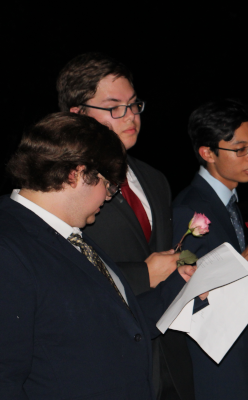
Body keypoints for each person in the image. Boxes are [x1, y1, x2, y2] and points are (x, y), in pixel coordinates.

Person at [0, 113, 191, 399]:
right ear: (76, 174)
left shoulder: (73, 237)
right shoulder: (0, 252)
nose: (109, 196)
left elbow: (122, 324)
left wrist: (184, 287)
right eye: (109, 185)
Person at [56, 53, 192, 400]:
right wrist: (140, 274)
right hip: (107, 362)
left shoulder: (155, 178)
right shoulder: (62, 185)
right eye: (114, 106)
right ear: (78, 114)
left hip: (170, 365)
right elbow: (59, 273)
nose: (130, 116)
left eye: (133, 105)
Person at [172, 99, 248, 400]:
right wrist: (245, 260)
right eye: (240, 149)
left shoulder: (229, 203)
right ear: (207, 152)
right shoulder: (190, 209)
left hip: (240, 348)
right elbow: (186, 296)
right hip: (210, 358)